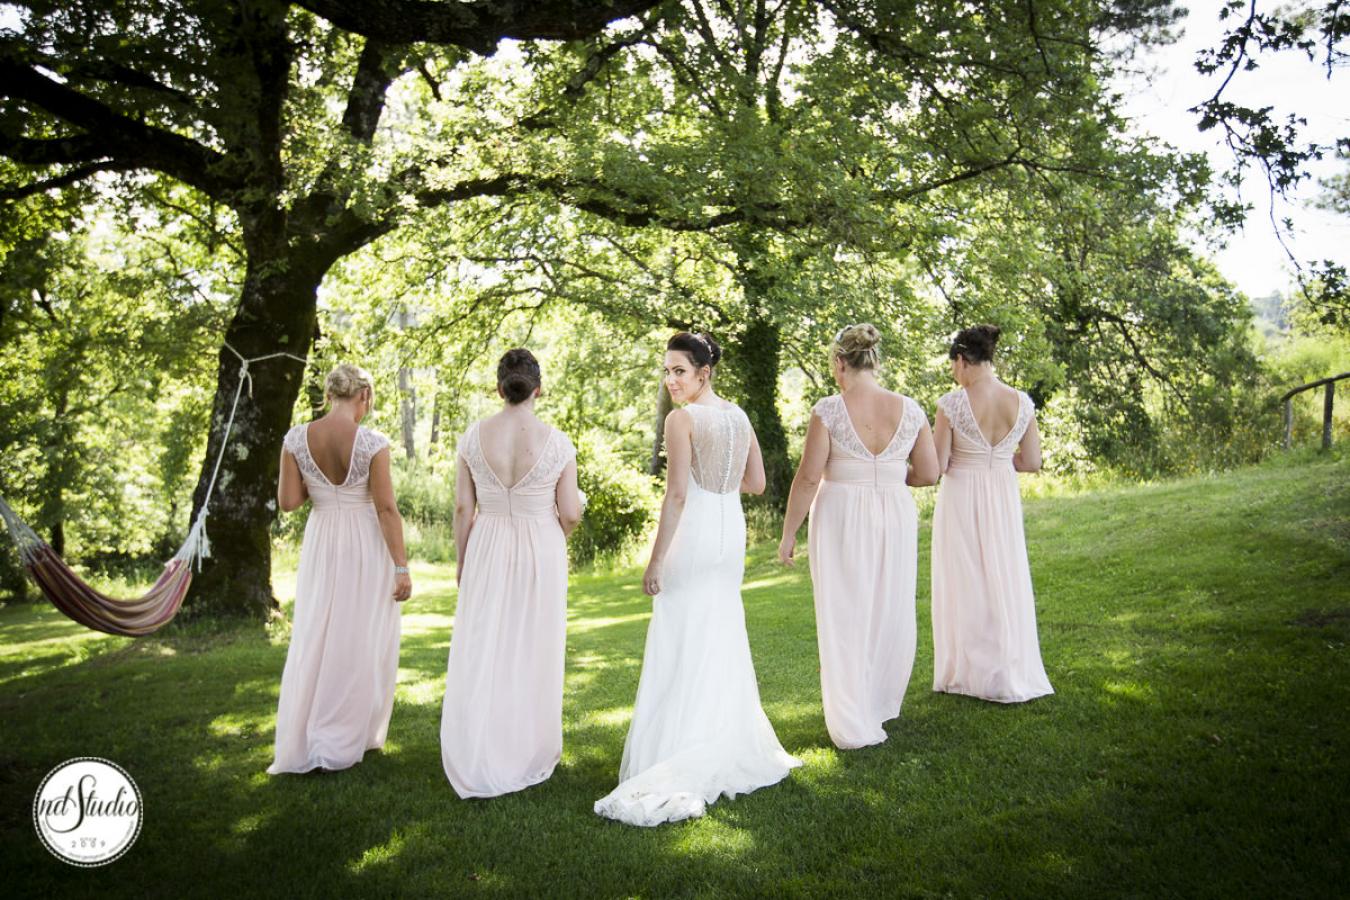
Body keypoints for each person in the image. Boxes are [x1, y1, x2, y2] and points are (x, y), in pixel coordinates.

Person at [595, 332, 800, 827]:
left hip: (696, 534)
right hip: (729, 535)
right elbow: (756, 484)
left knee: (682, 636)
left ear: (703, 373)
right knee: (718, 634)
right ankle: (721, 738)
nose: (671, 381)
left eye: (679, 371)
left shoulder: (681, 420)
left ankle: (680, 748)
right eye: (666, 372)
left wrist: (655, 559)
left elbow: (678, 495)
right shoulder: (739, 416)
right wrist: (722, 481)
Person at [778, 324, 938, 748]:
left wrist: (789, 533)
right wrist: (889, 473)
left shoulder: (829, 409)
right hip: (894, 513)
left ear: (839, 363)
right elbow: (929, 472)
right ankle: (879, 702)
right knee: (889, 603)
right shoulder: (910, 408)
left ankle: (852, 713)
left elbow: (809, 476)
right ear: (875, 360)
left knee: (844, 609)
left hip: (841, 515)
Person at [441, 348, 581, 798]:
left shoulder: (472, 437)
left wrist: (464, 559)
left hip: (486, 543)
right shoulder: (557, 442)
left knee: (486, 643)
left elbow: (464, 507)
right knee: (533, 644)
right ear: (538, 388)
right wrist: (558, 534)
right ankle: (525, 747)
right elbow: (572, 512)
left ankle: (481, 742)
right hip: (541, 543)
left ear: (499, 388)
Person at [269, 363, 410, 774]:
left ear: (329, 395)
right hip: (364, 542)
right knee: (359, 634)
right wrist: (401, 566)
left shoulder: (296, 438)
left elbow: (289, 502)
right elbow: (386, 508)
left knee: (318, 629)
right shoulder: (372, 443)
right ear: (363, 397)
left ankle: (314, 731)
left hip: (322, 539)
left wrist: (322, 486)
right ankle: (347, 733)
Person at [931, 324, 1053, 703]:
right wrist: (999, 461)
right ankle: (1007, 667)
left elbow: (937, 465)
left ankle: (969, 673)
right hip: (1002, 494)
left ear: (962, 360)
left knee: (966, 580)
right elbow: (1032, 461)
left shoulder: (951, 405)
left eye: (953, 365)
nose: (954, 373)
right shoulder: (1022, 402)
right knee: (1004, 573)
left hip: (962, 496)